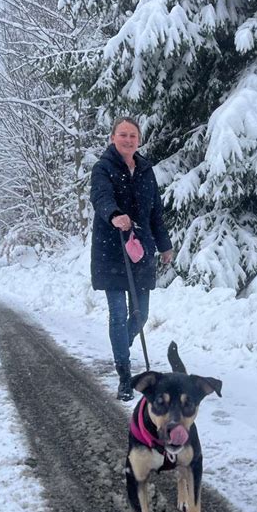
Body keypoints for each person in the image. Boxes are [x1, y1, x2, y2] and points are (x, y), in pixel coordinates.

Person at [90, 117, 173, 401]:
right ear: (113, 137)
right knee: (117, 314)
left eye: (133, 135)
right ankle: (125, 374)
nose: (128, 139)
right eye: (123, 134)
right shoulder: (103, 168)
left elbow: (155, 213)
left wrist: (165, 245)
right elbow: (100, 197)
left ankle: (120, 350)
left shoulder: (146, 170)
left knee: (141, 314)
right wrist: (115, 215)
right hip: (110, 250)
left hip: (141, 250)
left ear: (139, 139)